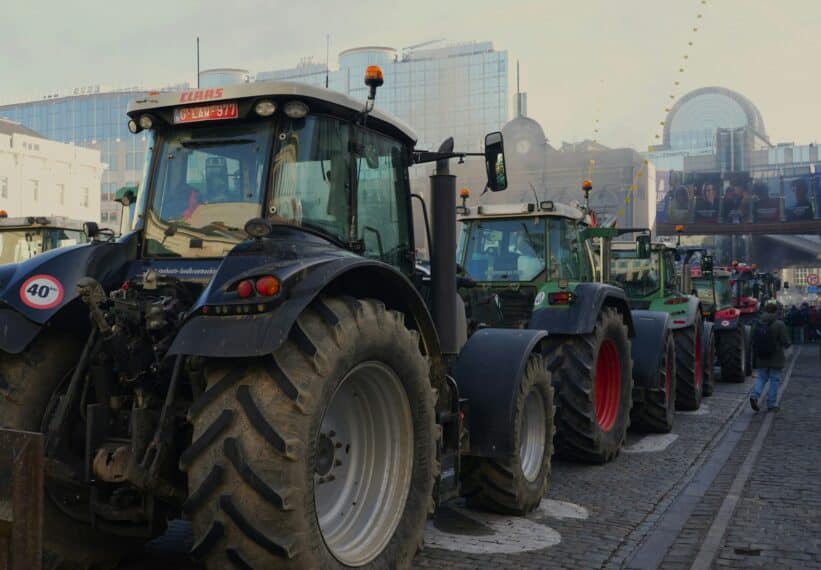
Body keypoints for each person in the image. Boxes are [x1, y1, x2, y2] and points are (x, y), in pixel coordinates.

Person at [750, 300, 791, 412]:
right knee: (774, 380)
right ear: (776, 311)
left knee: (762, 378)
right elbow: (786, 341)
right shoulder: (779, 324)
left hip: (761, 356)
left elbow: (752, 338)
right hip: (776, 357)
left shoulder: (757, 323)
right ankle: (771, 404)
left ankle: (754, 395)